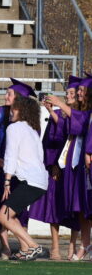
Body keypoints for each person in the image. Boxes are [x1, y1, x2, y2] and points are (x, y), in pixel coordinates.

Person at [0, 78, 36, 259]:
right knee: (1, 207)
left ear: (19, 98)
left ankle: (25, 246)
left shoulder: (29, 121)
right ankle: (5, 247)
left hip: (19, 174)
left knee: (18, 210)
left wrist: (7, 163)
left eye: (9, 93)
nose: (5, 96)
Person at [29, 76, 81, 260]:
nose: (68, 95)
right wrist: (52, 166)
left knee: (75, 209)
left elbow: (71, 130)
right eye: (67, 93)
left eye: (72, 93)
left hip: (75, 168)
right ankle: (55, 247)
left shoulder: (81, 114)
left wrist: (54, 113)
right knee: (54, 206)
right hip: (58, 167)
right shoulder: (59, 113)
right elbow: (51, 141)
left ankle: (73, 246)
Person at [0, 95, 48, 261]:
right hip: (39, 181)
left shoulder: (15, 128)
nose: (11, 111)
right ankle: (26, 249)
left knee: (2, 216)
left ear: (23, 111)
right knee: (11, 216)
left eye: (15, 108)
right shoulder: (31, 129)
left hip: (31, 181)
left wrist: (7, 181)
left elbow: (11, 155)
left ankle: (34, 246)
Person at [46, 75, 92, 261]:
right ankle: (85, 245)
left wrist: (59, 104)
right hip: (78, 164)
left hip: (85, 162)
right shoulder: (81, 111)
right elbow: (70, 128)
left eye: (81, 90)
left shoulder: (88, 113)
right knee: (82, 208)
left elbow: (80, 122)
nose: (78, 93)